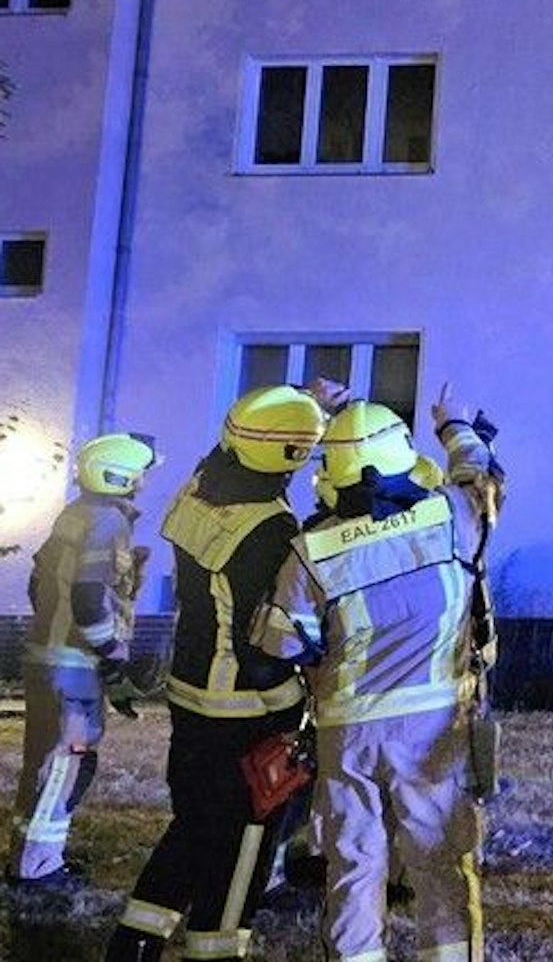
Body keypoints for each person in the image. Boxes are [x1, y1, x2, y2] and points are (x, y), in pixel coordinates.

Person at [248, 389, 502, 962]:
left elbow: (279, 647)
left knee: (353, 865)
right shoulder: (452, 515)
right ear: (402, 457)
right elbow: (479, 473)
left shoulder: (310, 550)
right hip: (433, 728)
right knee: (440, 862)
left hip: (347, 735)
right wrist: (454, 423)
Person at [106, 386, 327, 961]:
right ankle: (216, 951)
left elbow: (238, 450)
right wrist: (297, 699)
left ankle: (134, 943)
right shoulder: (272, 527)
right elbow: (265, 639)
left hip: (190, 694)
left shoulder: (198, 488)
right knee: (242, 847)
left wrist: (303, 406)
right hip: (246, 710)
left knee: (194, 825)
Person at [8, 433, 158, 888]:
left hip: (50, 656)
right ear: (123, 476)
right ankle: (37, 869)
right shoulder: (108, 522)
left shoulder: (74, 514)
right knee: (65, 763)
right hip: (72, 665)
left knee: (47, 762)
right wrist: (113, 656)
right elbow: (91, 598)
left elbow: (39, 585)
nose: (144, 481)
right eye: (141, 473)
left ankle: (33, 857)